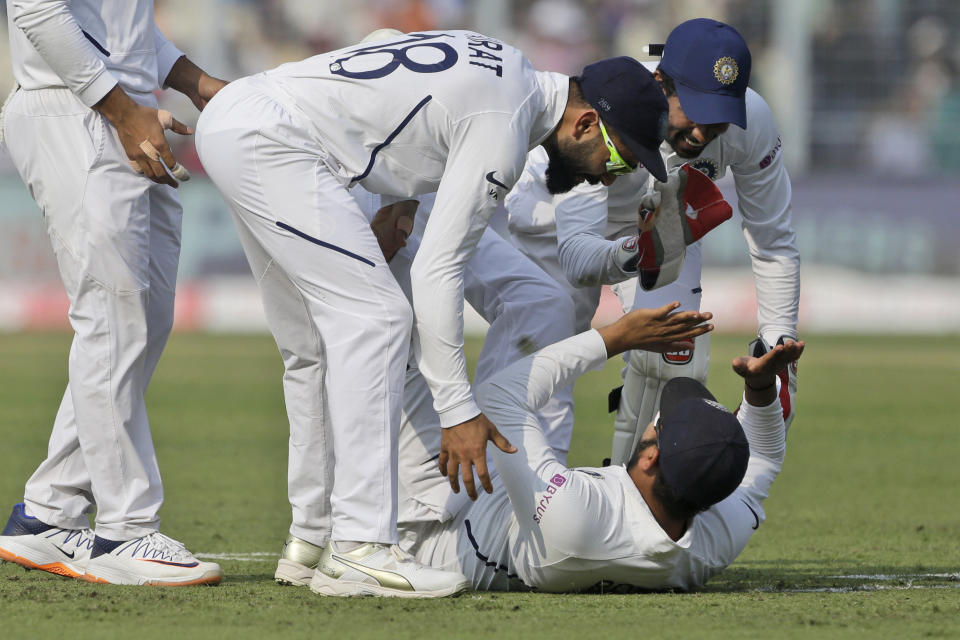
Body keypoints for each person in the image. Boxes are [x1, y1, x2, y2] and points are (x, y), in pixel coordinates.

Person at [194, 30, 668, 596]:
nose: (609, 176)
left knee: (317, 347)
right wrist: (459, 411)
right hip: (276, 144)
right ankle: (363, 546)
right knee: (377, 320)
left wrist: (402, 195)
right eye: (618, 156)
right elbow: (436, 272)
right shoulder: (505, 130)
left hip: (256, 126)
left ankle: (312, 542)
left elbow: (386, 43)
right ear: (586, 123)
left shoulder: (506, 67)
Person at [501, 18, 800, 464]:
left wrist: (780, 350)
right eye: (695, 112)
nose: (702, 134)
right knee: (547, 368)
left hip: (660, 227)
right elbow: (578, 258)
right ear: (661, 83)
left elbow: (773, 240)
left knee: (677, 354)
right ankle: (513, 511)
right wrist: (643, 249)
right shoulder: (610, 104)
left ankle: (630, 500)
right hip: (554, 221)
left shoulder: (751, 122)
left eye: (718, 120)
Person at [0, 1, 227, 585]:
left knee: (143, 321)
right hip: (77, 109)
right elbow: (37, 9)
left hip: (124, 111)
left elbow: (125, 28)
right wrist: (123, 111)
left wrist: (195, 82)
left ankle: (50, 513)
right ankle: (126, 530)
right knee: (111, 318)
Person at [395, 306, 804, 592]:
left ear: (650, 456)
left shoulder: (577, 514)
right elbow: (764, 455)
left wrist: (615, 337)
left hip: (433, 523)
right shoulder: (714, 540)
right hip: (508, 499)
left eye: (660, 420)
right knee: (539, 302)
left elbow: (498, 397)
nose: (654, 417)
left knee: (401, 325)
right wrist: (761, 389)